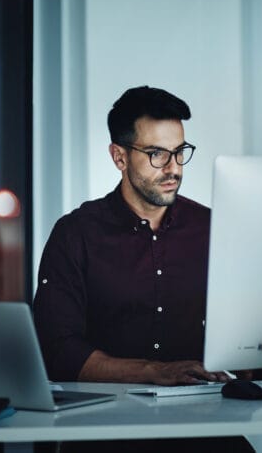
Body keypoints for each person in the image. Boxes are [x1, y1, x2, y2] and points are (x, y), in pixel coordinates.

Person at [33, 85, 231, 386]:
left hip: (203, 408)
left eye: (179, 152)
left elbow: (241, 330)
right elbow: (58, 351)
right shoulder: (75, 234)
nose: (173, 169)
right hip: (107, 418)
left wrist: (259, 360)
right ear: (119, 157)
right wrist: (156, 372)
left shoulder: (213, 228)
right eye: (156, 154)